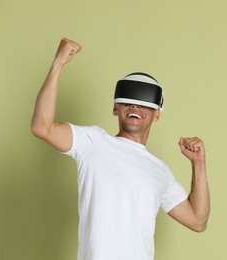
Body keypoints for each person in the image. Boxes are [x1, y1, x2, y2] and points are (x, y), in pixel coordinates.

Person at [31, 37, 210, 260]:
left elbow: (197, 221)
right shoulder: (93, 142)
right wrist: (58, 63)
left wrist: (198, 163)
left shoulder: (159, 170)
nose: (135, 105)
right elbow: (42, 127)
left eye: (144, 101)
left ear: (157, 114)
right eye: (127, 100)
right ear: (115, 108)